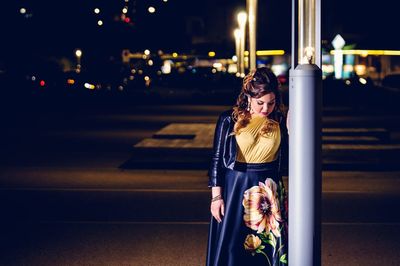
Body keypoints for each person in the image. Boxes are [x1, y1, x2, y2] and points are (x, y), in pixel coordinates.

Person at [206, 67, 289, 266]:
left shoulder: (279, 120)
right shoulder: (229, 119)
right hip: (236, 187)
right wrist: (216, 197)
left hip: (269, 189)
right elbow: (217, 160)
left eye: (271, 103)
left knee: (268, 250)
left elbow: (290, 159)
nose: (265, 108)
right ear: (248, 96)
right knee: (233, 246)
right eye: (260, 103)